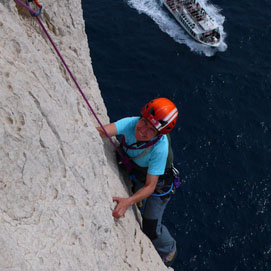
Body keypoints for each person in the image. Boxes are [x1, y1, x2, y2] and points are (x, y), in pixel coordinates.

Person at [97, 97, 179, 267]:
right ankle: (138, 201)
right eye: (144, 121)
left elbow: (150, 186)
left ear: (159, 135)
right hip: (138, 171)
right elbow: (101, 131)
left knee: (150, 226)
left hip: (158, 186)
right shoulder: (131, 123)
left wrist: (128, 201)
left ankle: (168, 248)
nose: (142, 130)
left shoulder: (159, 148)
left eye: (151, 129)